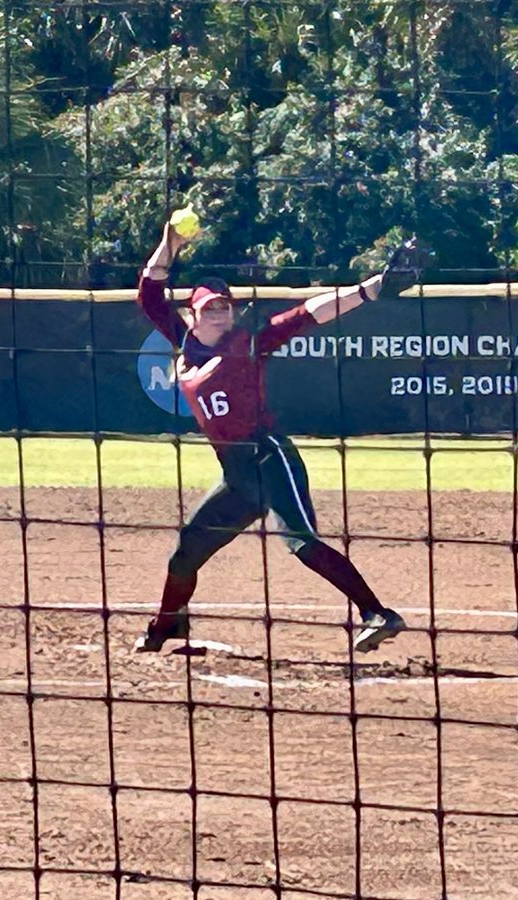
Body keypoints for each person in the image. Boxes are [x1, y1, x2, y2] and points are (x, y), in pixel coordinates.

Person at [133, 214, 420, 653]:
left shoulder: (246, 343)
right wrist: (169, 243)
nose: (218, 312)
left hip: (270, 458)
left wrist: (371, 288)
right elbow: (149, 292)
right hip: (237, 476)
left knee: (300, 543)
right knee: (186, 551)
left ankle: (377, 613)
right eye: (209, 306)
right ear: (192, 313)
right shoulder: (184, 341)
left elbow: (308, 314)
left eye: (223, 306)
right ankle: (168, 625)